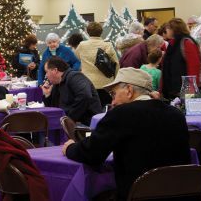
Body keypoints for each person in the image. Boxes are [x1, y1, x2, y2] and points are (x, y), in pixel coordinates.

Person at [62, 68, 191, 201]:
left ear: (129, 91)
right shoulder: (177, 114)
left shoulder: (121, 114)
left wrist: (70, 148)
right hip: (183, 193)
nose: (112, 102)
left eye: (113, 94)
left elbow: (91, 154)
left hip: (138, 194)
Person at [42, 56, 102, 126]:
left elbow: (85, 96)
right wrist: (47, 95)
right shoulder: (57, 84)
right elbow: (54, 110)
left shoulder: (75, 76)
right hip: (70, 122)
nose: (46, 76)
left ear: (55, 70)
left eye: (46, 72)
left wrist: (70, 119)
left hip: (87, 123)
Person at [76, 22, 119, 107]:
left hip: (88, 84)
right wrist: (116, 81)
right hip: (106, 84)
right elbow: (116, 63)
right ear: (101, 31)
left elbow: (77, 57)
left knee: (92, 110)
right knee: (106, 109)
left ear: (88, 32)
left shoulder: (82, 45)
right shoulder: (108, 45)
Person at [162, 18, 201, 100]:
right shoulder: (172, 43)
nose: (166, 31)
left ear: (174, 29)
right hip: (172, 90)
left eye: (168, 28)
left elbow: (193, 69)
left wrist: (189, 94)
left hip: (183, 92)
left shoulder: (187, 43)